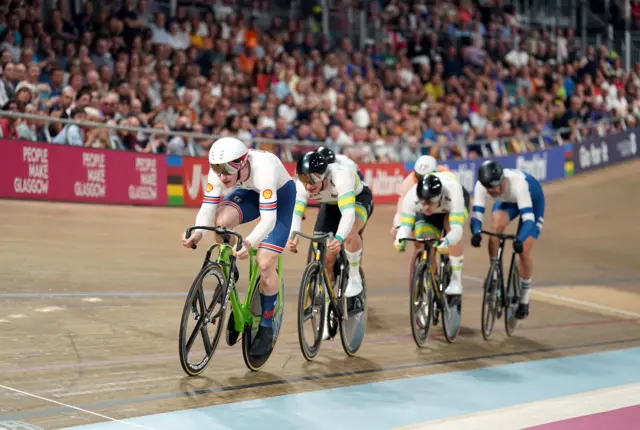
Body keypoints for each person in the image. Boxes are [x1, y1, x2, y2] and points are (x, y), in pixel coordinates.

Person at [181, 137, 296, 355]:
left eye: (226, 170)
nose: (221, 176)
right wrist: (197, 233)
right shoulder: (221, 173)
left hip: (280, 197)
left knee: (264, 263)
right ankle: (229, 278)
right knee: (221, 224)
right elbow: (207, 208)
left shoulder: (264, 171)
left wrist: (249, 242)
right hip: (249, 191)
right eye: (217, 169)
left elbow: (268, 220)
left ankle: (266, 326)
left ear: (241, 163)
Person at [286, 151, 374, 339]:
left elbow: (348, 215)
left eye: (313, 180)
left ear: (325, 176)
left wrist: (340, 238)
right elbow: (296, 213)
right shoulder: (302, 185)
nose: (308, 185)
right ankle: (327, 306)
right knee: (325, 257)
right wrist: (293, 237)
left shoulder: (341, 176)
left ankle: (355, 276)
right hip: (330, 206)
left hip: (357, 200)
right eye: (304, 180)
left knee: (350, 234)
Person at [470, 160, 545, 320]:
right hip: (508, 202)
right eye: (490, 190)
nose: (494, 191)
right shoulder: (481, 186)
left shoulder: (519, 185)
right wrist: (476, 232)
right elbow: (477, 214)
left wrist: (520, 239)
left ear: (503, 180)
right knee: (495, 227)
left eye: (497, 187)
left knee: (524, 249)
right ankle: (495, 272)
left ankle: (525, 297)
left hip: (532, 200)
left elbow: (529, 221)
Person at [394, 171, 470, 300]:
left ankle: (455, 279)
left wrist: (447, 240)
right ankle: (431, 279)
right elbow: (405, 226)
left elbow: (457, 229)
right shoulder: (412, 197)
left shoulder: (454, 193)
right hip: (436, 209)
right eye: (424, 203)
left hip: (451, 207)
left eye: (431, 202)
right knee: (426, 240)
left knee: (450, 229)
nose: (427, 207)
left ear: (439, 197)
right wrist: (399, 239)